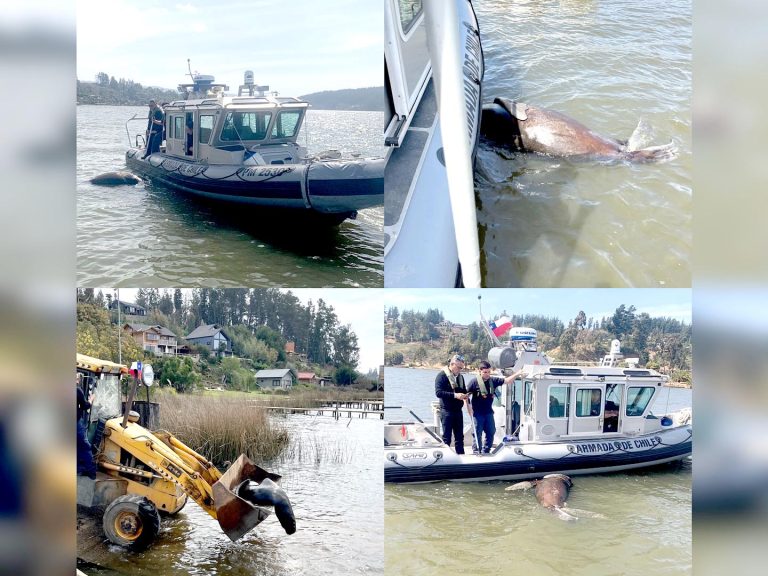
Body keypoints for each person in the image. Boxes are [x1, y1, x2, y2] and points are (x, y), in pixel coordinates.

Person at [466, 361, 526, 454]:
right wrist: (468, 408)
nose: (487, 374)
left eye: (489, 372)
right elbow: (465, 396)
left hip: (488, 413)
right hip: (477, 413)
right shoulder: (473, 382)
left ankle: (486, 450)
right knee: (477, 433)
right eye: (485, 372)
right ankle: (476, 451)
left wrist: (517, 373)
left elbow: (507, 381)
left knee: (491, 431)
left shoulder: (493, 381)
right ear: (479, 371)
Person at [434, 354, 468, 454]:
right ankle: (446, 457)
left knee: (459, 437)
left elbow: (463, 390)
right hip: (447, 411)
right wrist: (455, 395)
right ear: (452, 364)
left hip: (458, 411)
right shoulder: (441, 376)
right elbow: (438, 393)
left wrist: (466, 395)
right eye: (459, 367)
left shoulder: (460, 377)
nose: (460, 370)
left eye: (461, 368)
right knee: (447, 437)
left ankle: (461, 456)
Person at [77, 383, 97, 479]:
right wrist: (91, 400)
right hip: (75, 424)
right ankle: (91, 472)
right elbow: (85, 406)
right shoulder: (77, 390)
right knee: (85, 447)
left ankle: (78, 469)